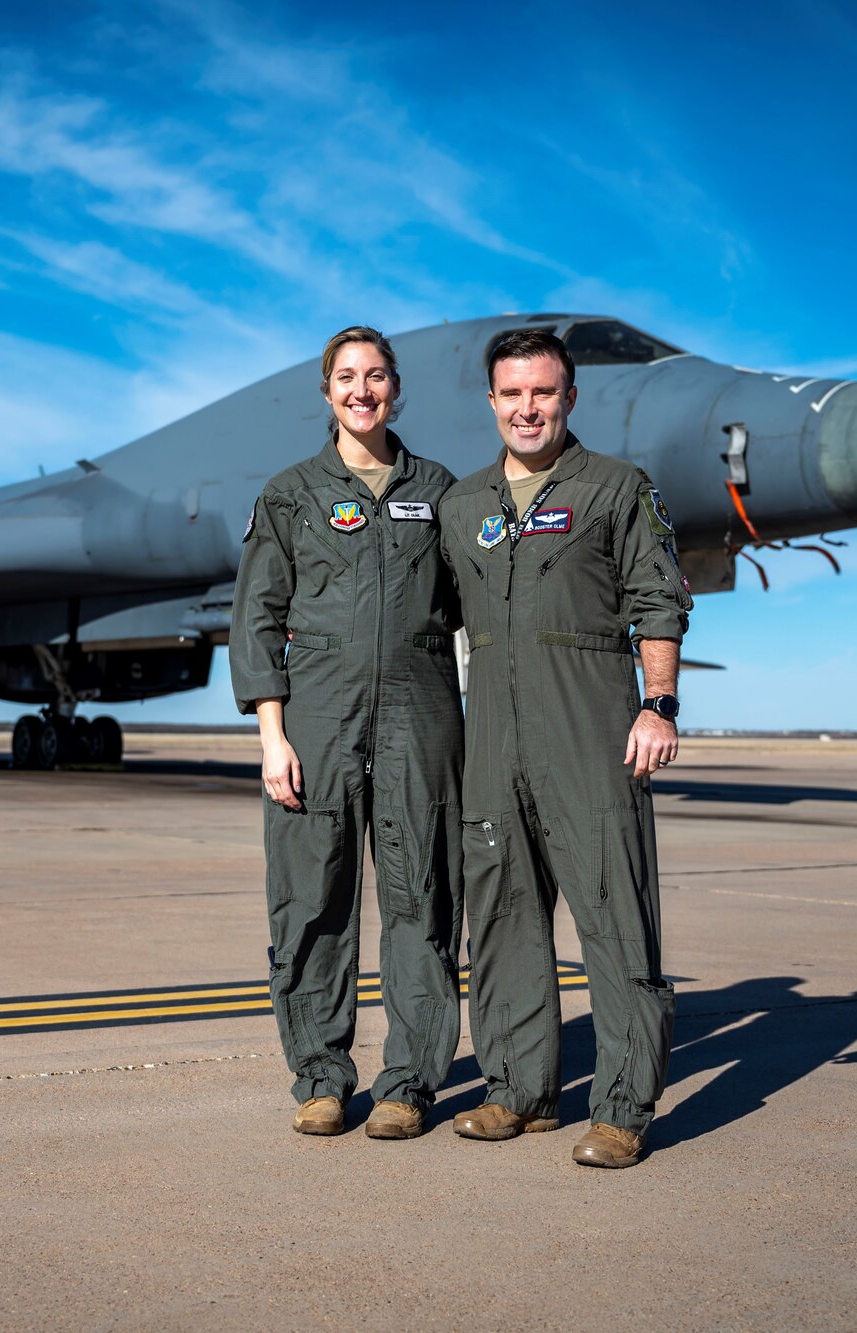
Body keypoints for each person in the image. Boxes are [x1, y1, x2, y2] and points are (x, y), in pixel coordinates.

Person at [436, 327, 692, 1167]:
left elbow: (659, 599)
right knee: (504, 918)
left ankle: (623, 1108)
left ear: (569, 397)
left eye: (543, 392)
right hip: (493, 744)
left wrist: (658, 704)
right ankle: (519, 1091)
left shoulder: (616, 488)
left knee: (616, 920)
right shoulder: (463, 505)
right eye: (512, 394)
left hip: (591, 737)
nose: (527, 408)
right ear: (492, 402)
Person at [229, 326, 465, 1139]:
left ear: (396, 387)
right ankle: (321, 1077)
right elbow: (256, 618)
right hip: (316, 722)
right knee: (310, 903)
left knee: (421, 900)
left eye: (376, 376)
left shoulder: (440, 491)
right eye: (347, 377)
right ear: (326, 391)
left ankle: (410, 1082)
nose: (362, 390)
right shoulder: (292, 493)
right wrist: (273, 735)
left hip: (419, 717)